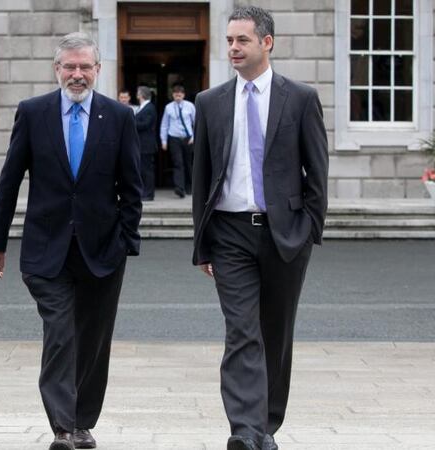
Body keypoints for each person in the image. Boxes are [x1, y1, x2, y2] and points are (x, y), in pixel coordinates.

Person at [0, 32, 142, 450]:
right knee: (61, 332)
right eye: (69, 66)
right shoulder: (33, 113)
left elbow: (132, 185)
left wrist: (127, 240)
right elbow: (9, 180)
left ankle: (82, 422)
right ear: (57, 69)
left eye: (84, 67)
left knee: (93, 339)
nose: (77, 74)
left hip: (102, 250)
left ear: (98, 70)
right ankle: (61, 426)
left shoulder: (119, 117)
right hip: (45, 248)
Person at [191, 6, 328, 450]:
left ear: (266, 42)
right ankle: (245, 430)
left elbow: (317, 171)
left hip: (285, 232)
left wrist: (309, 230)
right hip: (230, 233)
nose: (233, 47)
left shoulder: (300, 98)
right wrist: (203, 242)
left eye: (242, 40)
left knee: (276, 330)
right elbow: (201, 177)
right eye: (229, 40)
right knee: (241, 330)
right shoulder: (210, 102)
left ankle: (266, 425)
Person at [160, 84, 196, 198]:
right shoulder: (169, 107)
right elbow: (165, 124)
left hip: (188, 138)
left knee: (188, 163)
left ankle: (190, 186)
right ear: (173, 95)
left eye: (180, 95)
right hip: (174, 137)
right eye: (176, 95)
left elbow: (196, 122)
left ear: (183, 95)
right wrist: (164, 140)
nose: (178, 97)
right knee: (178, 163)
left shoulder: (190, 106)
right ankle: (179, 188)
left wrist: (194, 137)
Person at [134, 85, 158, 200]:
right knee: (141, 169)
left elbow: (145, 124)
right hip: (140, 144)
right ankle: (143, 192)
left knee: (146, 170)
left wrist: (129, 122)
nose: (137, 95)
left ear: (142, 95)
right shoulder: (141, 107)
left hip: (147, 145)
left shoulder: (150, 107)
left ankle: (149, 194)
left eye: (138, 93)